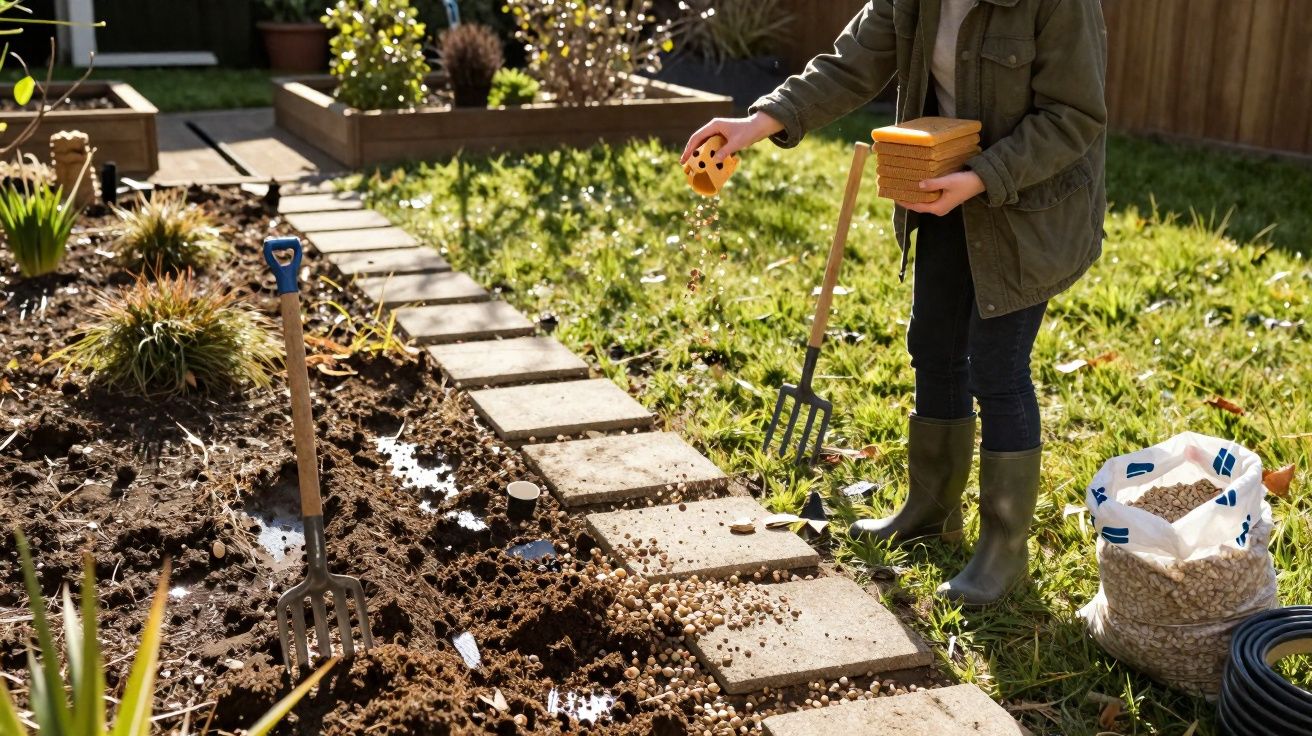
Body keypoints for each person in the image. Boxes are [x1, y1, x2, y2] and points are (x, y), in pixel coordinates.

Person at [682, 0, 1108, 606]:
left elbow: (1074, 116)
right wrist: (759, 122)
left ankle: (1002, 552)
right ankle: (931, 511)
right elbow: (850, 63)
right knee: (933, 346)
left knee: (997, 369)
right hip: (938, 186)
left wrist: (982, 177)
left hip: (1027, 209)